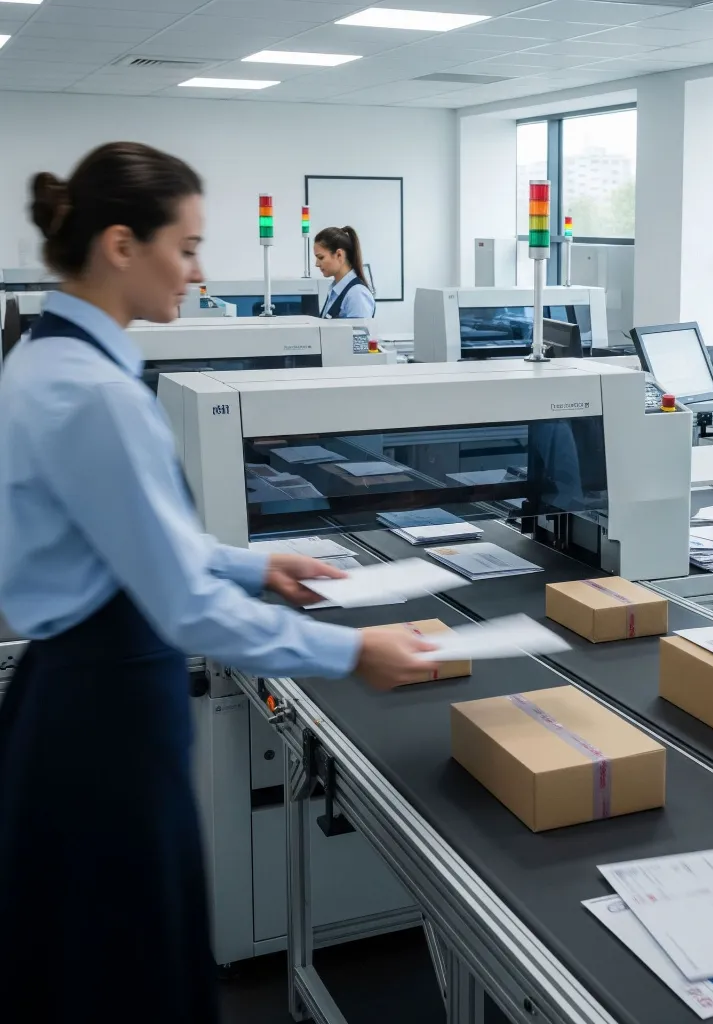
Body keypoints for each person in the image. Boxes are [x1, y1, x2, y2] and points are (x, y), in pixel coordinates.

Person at [0, 142, 437, 1024]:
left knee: (84, 964)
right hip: (107, 714)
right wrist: (353, 649)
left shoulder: (44, 359)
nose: (198, 272)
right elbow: (183, 607)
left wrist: (255, 562)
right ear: (121, 245)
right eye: (187, 246)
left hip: (75, 693)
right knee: (123, 973)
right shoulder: (96, 393)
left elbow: (125, 542)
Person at [314, 225, 376, 319]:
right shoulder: (335, 291)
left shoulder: (356, 294)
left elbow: (359, 333)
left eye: (321, 258)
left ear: (339, 255)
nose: (317, 264)